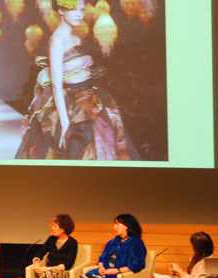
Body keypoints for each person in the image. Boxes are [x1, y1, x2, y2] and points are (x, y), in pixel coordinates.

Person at [15, 0, 133, 161]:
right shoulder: (57, 40)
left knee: (101, 147)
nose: (79, 14)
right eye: (74, 9)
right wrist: (64, 122)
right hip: (71, 105)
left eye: (82, 9)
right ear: (62, 10)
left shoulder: (75, 39)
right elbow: (56, 85)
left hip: (90, 100)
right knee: (77, 149)